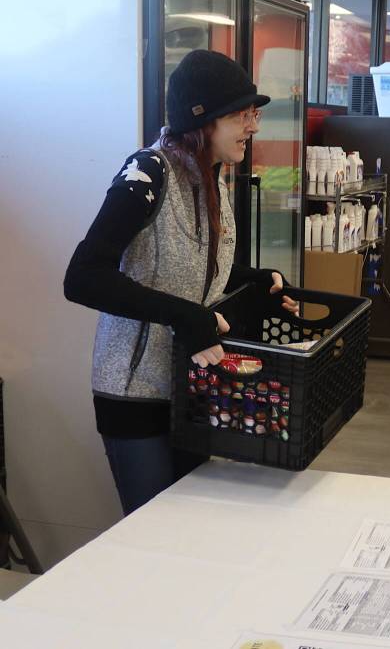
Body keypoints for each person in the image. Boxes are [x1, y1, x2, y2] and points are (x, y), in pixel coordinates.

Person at [64, 50, 298, 516]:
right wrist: (183, 315)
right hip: (134, 395)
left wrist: (259, 283)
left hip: (192, 387)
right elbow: (83, 277)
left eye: (253, 114)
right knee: (153, 535)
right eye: (241, 114)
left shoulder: (212, 179)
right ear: (202, 119)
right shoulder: (147, 172)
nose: (253, 126)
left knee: (190, 529)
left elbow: (196, 272)